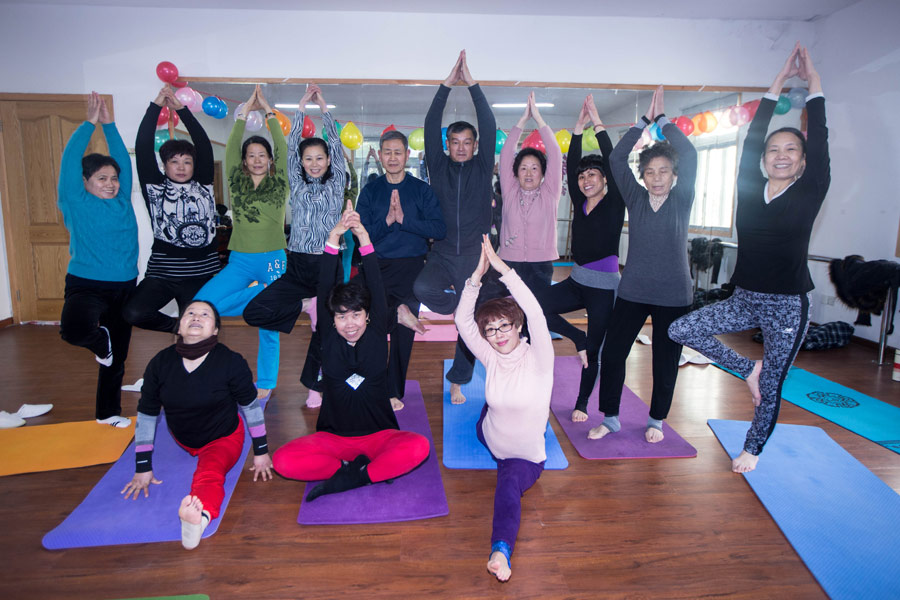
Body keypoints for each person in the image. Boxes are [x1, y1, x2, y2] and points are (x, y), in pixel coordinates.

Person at [669, 44, 827, 473]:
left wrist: (813, 84)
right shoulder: (748, 190)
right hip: (745, 297)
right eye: (774, 149)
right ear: (762, 159)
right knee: (681, 328)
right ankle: (747, 368)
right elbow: (755, 131)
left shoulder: (810, 191)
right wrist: (774, 85)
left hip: (788, 305)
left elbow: (821, 136)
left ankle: (752, 449)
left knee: (773, 385)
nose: (780, 154)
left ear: (802, 162)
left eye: (791, 150)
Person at [272, 210, 430, 501]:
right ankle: (362, 472)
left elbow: (375, 282)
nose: (350, 323)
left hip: (379, 436)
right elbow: (324, 284)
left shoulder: (374, 330)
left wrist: (364, 236)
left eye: (357, 315)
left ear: (368, 316)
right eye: (342, 317)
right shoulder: (329, 336)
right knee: (281, 461)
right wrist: (333, 237)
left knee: (420, 447)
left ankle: (353, 476)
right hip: (333, 439)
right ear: (331, 320)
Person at [588, 86, 697, 443]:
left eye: (663, 171)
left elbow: (691, 154)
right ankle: (612, 416)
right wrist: (643, 123)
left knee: (665, 362)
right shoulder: (635, 197)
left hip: (674, 294)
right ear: (644, 176)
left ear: (674, 175)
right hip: (633, 289)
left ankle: (656, 420)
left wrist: (664, 122)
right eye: (650, 172)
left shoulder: (681, 199)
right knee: (614, 354)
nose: (656, 177)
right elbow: (617, 160)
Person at [121, 300, 273, 550]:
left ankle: (198, 520)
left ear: (215, 330)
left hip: (223, 437)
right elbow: (147, 415)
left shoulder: (231, 362)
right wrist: (142, 467)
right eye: (189, 313)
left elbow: (250, 407)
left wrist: (261, 451)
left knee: (210, 473)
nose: (196, 317)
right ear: (179, 326)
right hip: (182, 438)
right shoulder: (160, 363)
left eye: (205, 315)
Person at [455, 235, 554, 583]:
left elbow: (537, 312)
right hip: (489, 434)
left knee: (508, 488)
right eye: (491, 329)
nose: (497, 334)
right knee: (487, 413)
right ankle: (493, 414)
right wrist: (475, 278)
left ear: (518, 326)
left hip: (522, 458)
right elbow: (462, 321)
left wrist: (502, 269)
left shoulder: (540, 359)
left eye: (504, 326)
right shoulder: (490, 355)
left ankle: (501, 551)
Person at [242, 84, 346, 409]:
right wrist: (301, 108)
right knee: (254, 311)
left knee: (325, 332)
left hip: (329, 266)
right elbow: (288, 148)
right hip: (298, 267)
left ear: (329, 160)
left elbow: (338, 143)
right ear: (301, 162)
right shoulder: (296, 181)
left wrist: (325, 109)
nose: (314, 163)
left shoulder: (338, 181)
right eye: (308, 158)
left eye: (320, 158)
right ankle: (303, 305)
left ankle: (315, 387)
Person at [412, 50, 499, 405]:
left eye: (467, 143)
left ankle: (458, 380)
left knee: (469, 324)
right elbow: (431, 124)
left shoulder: (481, 167)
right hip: (444, 252)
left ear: (475, 146)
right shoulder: (438, 165)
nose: (461, 147)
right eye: (455, 142)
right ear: (447, 146)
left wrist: (474, 86)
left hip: (476, 256)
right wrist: (446, 86)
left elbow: (490, 124)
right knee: (422, 288)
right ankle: (455, 304)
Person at [195, 85, 288, 401]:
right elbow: (232, 146)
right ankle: (258, 297)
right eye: (252, 156)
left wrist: (270, 114)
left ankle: (266, 382)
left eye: (262, 155)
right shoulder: (236, 181)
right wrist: (244, 113)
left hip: (274, 258)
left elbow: (284, 149)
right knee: (204, 305)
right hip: (241, 260)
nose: (257, 159)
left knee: (270, 325)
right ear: (245, 161)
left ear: (269, 159)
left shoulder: (280, 182)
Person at [536, 95, 625, 422]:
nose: (586, 180)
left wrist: (598, 123)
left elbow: (614, 162)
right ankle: (576, 336)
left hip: (603, 288)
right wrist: (576, 130)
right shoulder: (580, 201)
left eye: (593, 176)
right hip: (576, 281)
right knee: (535, 305)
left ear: (604, 180)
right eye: (583, 177)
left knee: (596, 352)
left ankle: (583, 402)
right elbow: (571, 164)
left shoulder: (615, 203)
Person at [58, 92, 138, 427]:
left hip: (124, 286)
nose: (110, 184)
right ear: (86, 182)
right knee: (73, 330)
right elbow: (70, 159)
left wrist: (111, 125)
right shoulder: (74, 200)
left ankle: (107, 414)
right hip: (86, 283)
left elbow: (123, 159)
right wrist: (91, 123)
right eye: (102, 179)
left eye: (113, 178)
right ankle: (97, 340)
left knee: (115, 359)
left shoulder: (121, 200)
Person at [356, 130, 446, 411]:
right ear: (380, 156)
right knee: (372, 328)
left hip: (411, 267)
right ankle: (369, 381)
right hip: (376, 267)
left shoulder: (421, 190)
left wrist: (406, 221)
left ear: (407, 155)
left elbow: (438, 229)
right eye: (387, 152)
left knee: (402, 335)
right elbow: (361, 234)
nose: (393, 157)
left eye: (398, 152)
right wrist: (386, 221)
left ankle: (394, 391)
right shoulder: (370, 191)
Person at [124, 85, 219, 334]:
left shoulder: (204, 183)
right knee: (133, 312)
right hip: (163, 274)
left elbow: (203, 144)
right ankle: (178, 329)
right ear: (164, 165)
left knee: (201, 333)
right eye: (174, 161)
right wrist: (155, 107)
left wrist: (182, 111)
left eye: (187, 161)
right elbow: (143, 146)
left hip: (202, 274)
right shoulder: (154, 188)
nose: (181, 167)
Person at [497, 91, 562, 293]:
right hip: (509, 262)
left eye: (535, 168)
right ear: (515, 172)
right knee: (510, 314)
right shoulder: (510, 191)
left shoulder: (550, 192)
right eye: (523, 168)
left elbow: (555, 153)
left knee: (539, 313)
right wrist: (522, 121)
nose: (528, 173)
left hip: (541, 265)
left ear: (543, 173)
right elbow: (506, 155)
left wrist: (539, 118)